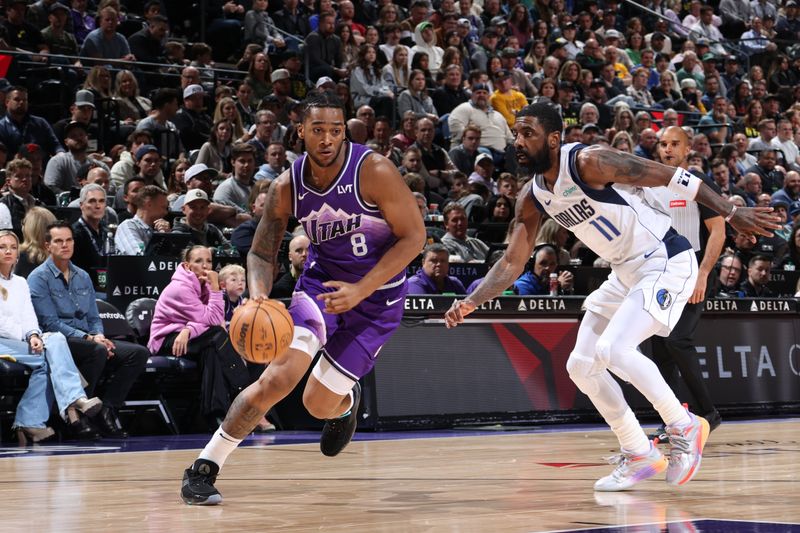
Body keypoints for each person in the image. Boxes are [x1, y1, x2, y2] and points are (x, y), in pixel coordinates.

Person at [444, 102, 780, 492]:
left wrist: (730, 210)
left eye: (527, 133)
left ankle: (683, 425)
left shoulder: (591, 162)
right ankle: (638, 451)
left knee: (615, 350)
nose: (517, 141)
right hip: (624, 272)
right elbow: (512, 262)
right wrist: (471, 301)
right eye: (515, 134)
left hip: (664, 259)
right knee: (581, 365)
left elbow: (673, 176)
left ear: (554, 139)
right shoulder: (532, 196)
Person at [181, 92, 425, 505]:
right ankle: (205, 466)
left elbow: (414, 238)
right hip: (321, 287)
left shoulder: (375, 171)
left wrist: (361, 289)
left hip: (377, 299)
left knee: (317, 404)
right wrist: (258, 298)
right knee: (277, 378)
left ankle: (345, 404)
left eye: (335, 130)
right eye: (317, 130)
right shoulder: (286, 186)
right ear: (301, 132)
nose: (327, 139)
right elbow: (261, 251)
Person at [28, 222, 151, 438]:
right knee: (96, 351)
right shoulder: (38, 278)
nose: (65, 245)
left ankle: (107, 409)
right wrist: (89, 338)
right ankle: (77, 413)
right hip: (59, 341)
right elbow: (49, 323)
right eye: (59, 241)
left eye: (69, 240)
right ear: (48, 246)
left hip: (89, 339)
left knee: (137, 353)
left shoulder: (83, 276)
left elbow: (94, 317)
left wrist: (99, 336)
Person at [647, 126, 726, 443]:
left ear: (688, 148)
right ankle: (674, 420)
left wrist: (703, 274)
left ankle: (708, 414)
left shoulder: (697, 184)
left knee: (678, 340)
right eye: (663, 144)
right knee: (660, 349)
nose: (667, 149)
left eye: (674, 144)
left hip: (693, 268)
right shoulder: (648, 184)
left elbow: (718, 232)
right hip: (658, 271)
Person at [0, 230, 103, 444]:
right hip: (3, 341)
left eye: (12, 247)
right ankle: (72, 401)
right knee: (49, 356)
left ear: (18, 253)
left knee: (54, 341)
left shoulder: (20, 282)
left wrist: (34, 334)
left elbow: (28, 314)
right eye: (2, 247)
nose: (8, 251)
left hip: (19, 341)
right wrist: (26, 337)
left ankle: (31, 421)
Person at [148, 245, 256, 425]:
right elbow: (213, 319)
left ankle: (216, 415)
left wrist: (189, 329)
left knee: (212, 352)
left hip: (189, 335)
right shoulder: (180, 288)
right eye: (199, 261)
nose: (206, 266)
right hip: (166, 339)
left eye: (209, 261)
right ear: (188, 266)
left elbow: (208, 319)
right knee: (218, 335)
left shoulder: (202, 283)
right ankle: (245, 394)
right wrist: (215, 288)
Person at [114, 185, 170, 255]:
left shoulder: (159, 229)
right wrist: (160, 238)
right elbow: (139, 257)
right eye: (163, 207)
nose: (165, 212)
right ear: (149, 204)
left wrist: (166, 236)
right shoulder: (128, 226)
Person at [270, 234, 310, 298]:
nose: (304, 254)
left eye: (308, 250)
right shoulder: (280, 289)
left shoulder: (322, 283)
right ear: (290, 256)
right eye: (299, 251)